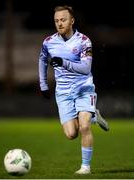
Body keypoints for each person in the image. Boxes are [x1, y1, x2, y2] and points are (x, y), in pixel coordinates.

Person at [38, 5, 109, 174]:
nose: (59, 23)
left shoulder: (84, 41)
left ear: (72, 21)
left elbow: (85, 68)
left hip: (84, 89)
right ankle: (94, 115)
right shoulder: (48, 42)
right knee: (71, 134)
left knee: (84, 127)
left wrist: (64, 63)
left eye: (63, 20)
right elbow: (42, 61)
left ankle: (85, 167)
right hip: (63, 93)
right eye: (56, 21)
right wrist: (43, 84)